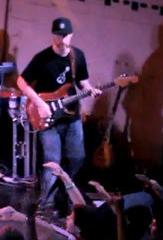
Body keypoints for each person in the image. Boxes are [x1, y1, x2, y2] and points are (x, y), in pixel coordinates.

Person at [16, 17, 101, 215]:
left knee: (77, 157)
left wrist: (90, 90)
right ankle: (47, 203)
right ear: (53, 35)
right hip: (47, 117)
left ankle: (64, 192)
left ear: (71, 35)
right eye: (58, 35)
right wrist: (40, 104)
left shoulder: (77, 56)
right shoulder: (42, 58)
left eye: (65, 35)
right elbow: (21, 82)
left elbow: (83, 82)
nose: (61, 39)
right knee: (52, 160)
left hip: (71, 115)